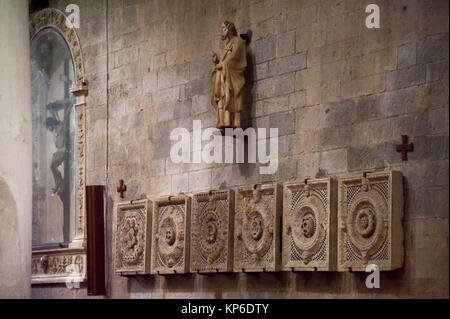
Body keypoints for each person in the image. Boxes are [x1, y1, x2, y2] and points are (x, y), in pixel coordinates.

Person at [211, 21, 247, 129]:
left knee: (232, 97)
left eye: (223, 28)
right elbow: (225, 62)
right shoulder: (228, 45)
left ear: (228, 29)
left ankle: (235, 123)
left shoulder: (238, 42)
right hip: (224, 77)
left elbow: (236, 59)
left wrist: (222, 65)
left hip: (232, 77)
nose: (221, 31)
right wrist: (217, 62)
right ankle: (224, 122)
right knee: (223, 97)